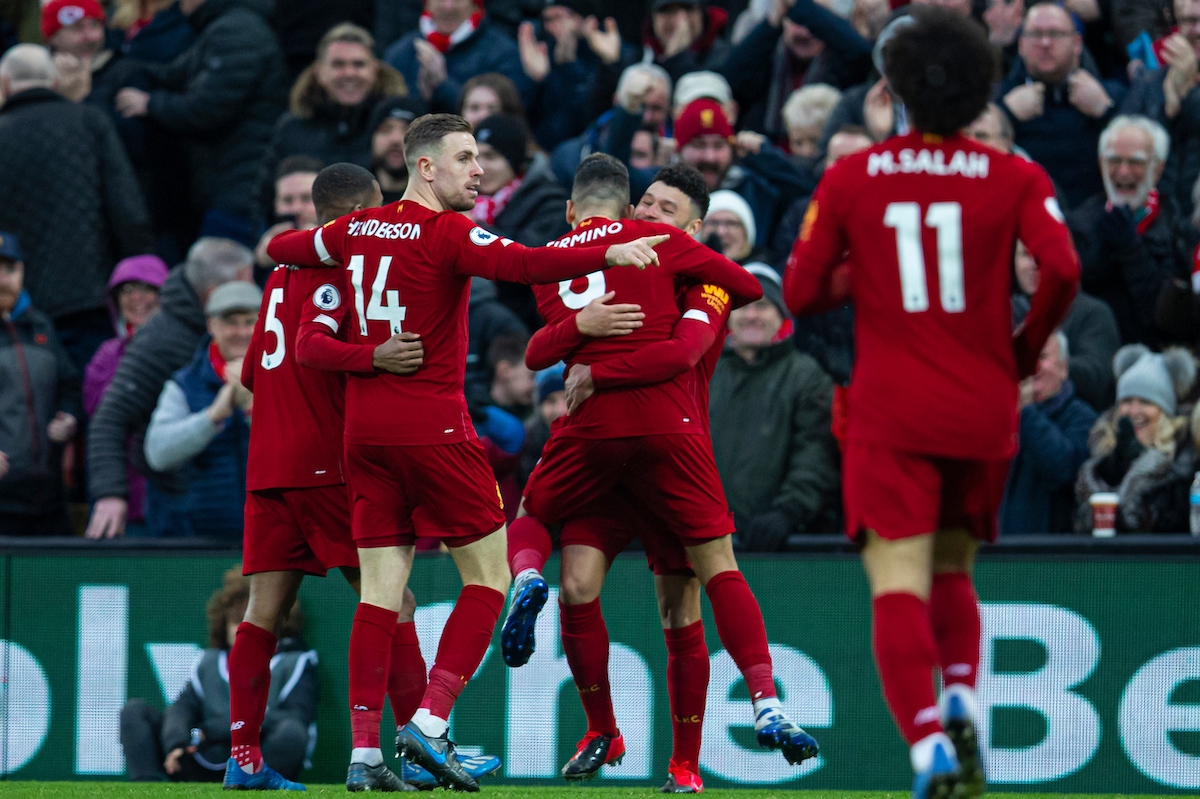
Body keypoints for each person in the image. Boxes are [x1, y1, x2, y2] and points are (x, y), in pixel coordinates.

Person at [264, 115, 673, 791]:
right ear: (424, 167)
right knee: (489, 577)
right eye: (465, 158)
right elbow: (525, 263)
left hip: (364, 436)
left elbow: (284, 243)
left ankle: (365, 753)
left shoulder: (352, 229)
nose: (479, 170)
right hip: (434, 430)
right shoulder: (445, 231)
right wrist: (607, 253)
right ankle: (429, 721)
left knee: (381, 594)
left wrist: (328, 251)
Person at [784, 9, 1079, 797]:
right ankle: (960, 694)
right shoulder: (1016, 175)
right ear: (984, 87)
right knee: (955, 571)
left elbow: (803, 291)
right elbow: (1062, 270)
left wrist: (869, 272)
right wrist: (1021, 351)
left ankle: (928, 745)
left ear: (894, 88)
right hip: (983, 407)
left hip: (891, 410)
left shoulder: (852, 176)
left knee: (897, 582)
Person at [513, 154, 819, 788]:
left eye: (666, 211)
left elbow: (682, 353)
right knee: (575, 587)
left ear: (694, 229)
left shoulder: (704, 283)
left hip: (665, 445)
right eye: (644, 204)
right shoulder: (620, 261)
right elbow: (541, 345)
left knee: (681, 607)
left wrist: (597, 369)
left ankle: (686, 764)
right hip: (609, 452)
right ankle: (602, 729)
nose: (649, 215)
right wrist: (578, 330)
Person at [86, 238, 255, 539]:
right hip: (183, 511)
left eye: (249, 321)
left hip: (251, 510)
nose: (255, 290)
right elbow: (109, 419)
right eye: (246, 282)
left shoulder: (265, 342)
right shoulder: (160, 343)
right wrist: (109, 494)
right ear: (213, 297)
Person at [0, 43, 153, 371]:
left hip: (23, 305)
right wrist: (137, 270)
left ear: (5, 84)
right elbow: (127, 209)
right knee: (98, 387)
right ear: (54, 80)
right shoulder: (89, 121)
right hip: (93, 293)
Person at [114, 0, 288, 245]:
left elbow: (208, 108)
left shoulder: (236, 30)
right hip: (230, 181)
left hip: (240, 185)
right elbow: (177, 73)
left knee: (223, 270)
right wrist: (127, 70)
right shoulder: (223, 26)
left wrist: (149, 104)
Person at [119, 571, 316, 783]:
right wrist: (176, 743)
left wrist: (211, 731)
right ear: (224, 624)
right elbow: (182, 708)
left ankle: (259, 790)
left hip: (255, 765)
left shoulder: (294, 664)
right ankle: (147, 789)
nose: (243, 630)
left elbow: (294, 720)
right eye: (236, 621)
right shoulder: (210, 661)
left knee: (291, 731)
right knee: (135, 711)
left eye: (253, 623)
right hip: (202, 759)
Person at [710, 268, 840, 549]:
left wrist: (788, 511)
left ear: (781, 315)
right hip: (702, 539)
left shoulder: (806, 376)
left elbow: (814, 454)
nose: (751, 315)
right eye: (741, 306)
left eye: (763, 306)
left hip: (774, 544)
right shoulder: (702, 371)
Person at [143, 282, 261, 539]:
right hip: (203, 537)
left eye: (250, 321)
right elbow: (158, 453)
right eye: (231, 322)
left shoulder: (287, 377)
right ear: (211, 325)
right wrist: (212, 417)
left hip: (274, 533)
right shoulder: (185, 383)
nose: (241, 332)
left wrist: (252, 408)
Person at [259, 23, 407, 219]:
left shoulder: (396, 126)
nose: (349, 73)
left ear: (374, 70)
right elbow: (264, 198)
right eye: (338, 65)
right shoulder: (292, 128)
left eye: (358, 64)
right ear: (319, 71)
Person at [1066, 114, 1189, 347]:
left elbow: (1171, 318)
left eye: (1135, 162)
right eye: (1114, 160)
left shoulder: (1178, 227)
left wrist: (1131, 250)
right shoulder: (1077, 223)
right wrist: (1098, 249)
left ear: (1159, 169)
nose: (1123, 172)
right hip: (1094, 356)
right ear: (1101, 163)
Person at [995, 2, 1124, 208]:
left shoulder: (1112, 94)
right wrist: (1006, 115)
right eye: (1036, 34)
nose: (1045, 42)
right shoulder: (998, 97)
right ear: (1021, 45)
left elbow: (1140, 154)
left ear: (1077, 44)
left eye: (1056, 33)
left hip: (1095, 218)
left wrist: (1106, 112)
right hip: (1020, 213)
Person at [0, 233, 81, 536]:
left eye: (9, 269)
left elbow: (69, 386)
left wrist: (69, 417)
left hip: (50, 499)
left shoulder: (42, 326)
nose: (2, 279)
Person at [83, 255, 170, 535]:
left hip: (172, 497)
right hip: (120, 497)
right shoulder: (107, 354)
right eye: (127, 289)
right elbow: (100, 414)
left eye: (147, 288)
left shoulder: (183, 350)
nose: (137, 297)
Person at [1074, 344, 1197, 533]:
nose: (1134, 411)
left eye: (1146, 402)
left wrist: (1140, 476)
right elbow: (1081, 526)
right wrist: (1113, 466)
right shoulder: (1097, 458)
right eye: (1127, 401)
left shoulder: (1183, 459)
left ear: (1165, 412)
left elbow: (1169, 523)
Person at [723, 0, 872, 141]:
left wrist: (800, 6)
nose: (803, 33)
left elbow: (863, 53)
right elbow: (732, 74)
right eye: (796, 21)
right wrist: (771, 24)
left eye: (812, 21)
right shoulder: (769, 55)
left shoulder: (842, 61)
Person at [675, 98, 814, 249]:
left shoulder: (755, 190)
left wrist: (764, 156)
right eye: (699, 145)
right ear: (679, 149)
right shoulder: (659, 189)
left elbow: (805, 194)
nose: (710, 157)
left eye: (719, 145)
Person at [999, 332, 1097, 535]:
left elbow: (1063, 470)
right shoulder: (997, 418)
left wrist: (1025, 411)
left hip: (1051, 557)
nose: (1032, 367)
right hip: (995, 556)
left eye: (1042, 357)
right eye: (1024, 359)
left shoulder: (1082, 418)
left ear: (1064, 368)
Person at [1012, 241, 1121, 411]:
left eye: (1041, 253)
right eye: (1024, 254)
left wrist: (1050, 361)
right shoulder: (1005, 313)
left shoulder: (1094, 313)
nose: (1033, 263)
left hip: (1077, 425)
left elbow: (1096, 378)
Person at [516, 2, 633, 150]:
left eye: (560, 18)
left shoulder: (609, 51)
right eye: (548, 20)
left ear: (580, 18)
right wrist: (536, 81)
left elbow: (592, 115)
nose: (553, 27)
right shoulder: (541, 54)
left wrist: (610, 64)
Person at [383, 0, 528, 113]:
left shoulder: (502, 52)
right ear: (427, 4)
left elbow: (505, 115)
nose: (448, 6)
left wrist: (442, 86)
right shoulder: (400, 53)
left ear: (474, 4)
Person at [472, 114, 570, 247]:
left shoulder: (549, 203)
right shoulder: (465, 199)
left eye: (490, 156)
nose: (480, 167)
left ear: (514, 161)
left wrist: (472, 227)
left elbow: (529, 256)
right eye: (475, 157)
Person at [643, 0, 732, 83]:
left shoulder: (724, 59)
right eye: (668, 10)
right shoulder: (638, 58)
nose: (680, 20)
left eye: (688, 8)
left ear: (702, 14)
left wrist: (678, 58)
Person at [369, 95, 429, 202]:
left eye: (408, 131)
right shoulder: (352, 197)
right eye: (385, 129)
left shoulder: (439, 204)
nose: (396, 139)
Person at [701, 190, 773, 268]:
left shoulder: (760, 276)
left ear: (746, 233)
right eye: (712, 222)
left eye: (731, 223)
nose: (721, 232)